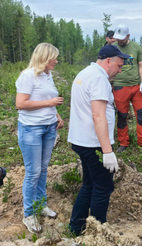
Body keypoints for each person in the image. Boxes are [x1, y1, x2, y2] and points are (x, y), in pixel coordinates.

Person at [67, 45, 128, 236]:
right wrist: (107, 151)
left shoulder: (86, 73)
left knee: (90, 184)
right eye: (119, 65)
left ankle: (76, 227)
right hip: (93, 142)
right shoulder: (99, 78)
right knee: (103, 186)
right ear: (108, 60)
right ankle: (99, 231)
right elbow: (98, 116)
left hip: (81, 140)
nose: (119, 70)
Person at [15, 43, 64, 233]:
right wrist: (49, 102)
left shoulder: (47, 75)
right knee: (33, 171)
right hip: (31, 129)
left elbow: (49, 100)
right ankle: (29, 214)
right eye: (54, 58)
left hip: (49, 127)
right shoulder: (28, 76)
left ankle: (40, 204)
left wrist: (56, 115)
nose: (56, 61)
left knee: (43, 168)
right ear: (44, 58)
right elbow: (21, 103)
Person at [112, 24, 142, 152]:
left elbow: (141, 65)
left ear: (128, 36)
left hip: (136, 87)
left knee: (141, 115)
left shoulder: (135, 47)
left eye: (122, 38)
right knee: (122, 116)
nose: (119, 41)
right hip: (119, 86)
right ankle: (123, 142)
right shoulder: (112, 48)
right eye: (117, 38)